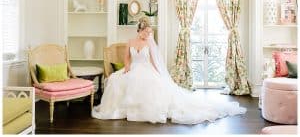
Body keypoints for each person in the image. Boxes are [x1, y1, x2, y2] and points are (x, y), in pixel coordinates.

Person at [92, 17, 246, 124]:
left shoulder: (149, 44)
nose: (148, 34)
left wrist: (158, 73)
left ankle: (144, 110)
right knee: (114, 79)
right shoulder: (131, 41)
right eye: (146, 31)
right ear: (140, 30)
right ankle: (119, 110)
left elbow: (153, 60)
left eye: (150, 32)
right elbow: (126, 57)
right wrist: (126, 68)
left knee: (150, 84)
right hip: (133, 68)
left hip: (146, 68)